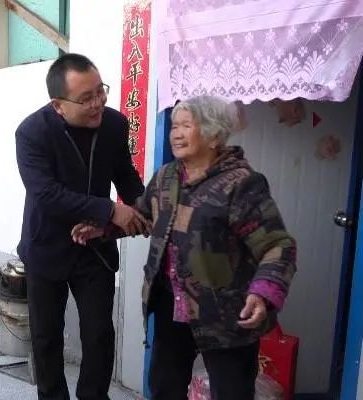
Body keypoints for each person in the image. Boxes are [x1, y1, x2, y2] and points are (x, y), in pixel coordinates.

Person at [72, 95, 297, 400]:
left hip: (226, 311)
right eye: (174, 126)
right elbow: (143, 216)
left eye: (186, 126)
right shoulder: (167, 177)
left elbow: (277, 245)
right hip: (172, 303)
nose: (175, 134)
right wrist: (105, 228)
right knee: (165, 386)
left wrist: (263, 292)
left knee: (231, 391)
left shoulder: (241, 184)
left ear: (214, 135)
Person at [15, 53, 148, 400]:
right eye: (86, 98)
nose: (97, 103)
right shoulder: (32, 133)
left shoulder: (114, 124)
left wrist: (144, 205)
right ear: (58, 105)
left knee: (99, 335)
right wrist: (109, 210)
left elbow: (125, 176)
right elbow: (46, 194)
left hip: (95, 249)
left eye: (100, 91)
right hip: (46, 248)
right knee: (46, 338)